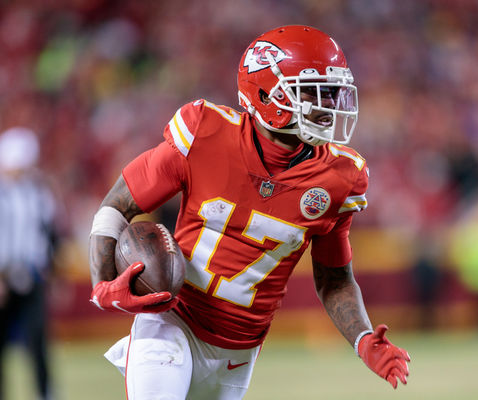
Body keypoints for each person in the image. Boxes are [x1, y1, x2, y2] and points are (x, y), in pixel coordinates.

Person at [89, 25, 410, 399]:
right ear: (264, 93)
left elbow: (334, 279)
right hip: (172, 322)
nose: (329, 105)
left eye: (332, 91)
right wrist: (102, 285)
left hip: (239, 350)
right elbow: (117, 205)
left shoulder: (340, 177)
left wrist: (364, 340)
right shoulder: (204, 132)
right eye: (311, 92)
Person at [0, 127, 59, 400]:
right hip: (4, 276)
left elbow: (49, 234)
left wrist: (53, 271)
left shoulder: (38, 194)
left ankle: (45, 393)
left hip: (32, 275)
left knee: (38, 341)